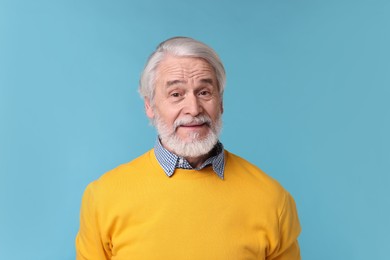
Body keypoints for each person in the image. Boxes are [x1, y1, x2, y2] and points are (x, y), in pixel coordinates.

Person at [75, 36, 301, 259]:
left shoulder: (272, 200)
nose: (193, 109)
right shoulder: (103, 198)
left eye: (204, 92)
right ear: (149, 106)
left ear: (220, 103)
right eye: (176, 94)